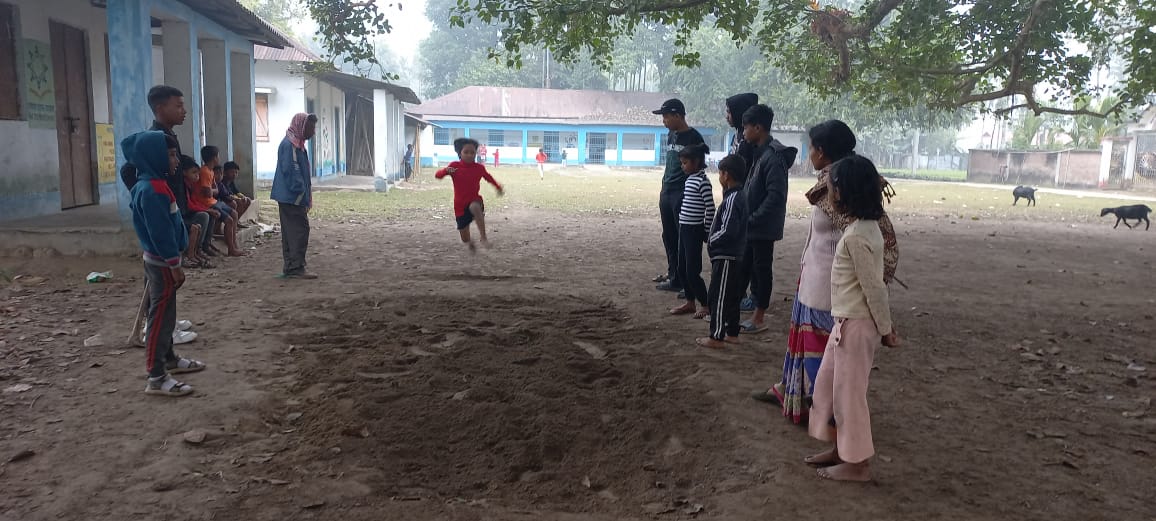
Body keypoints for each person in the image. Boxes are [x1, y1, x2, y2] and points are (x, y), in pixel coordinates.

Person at [752, 120, 900, 424]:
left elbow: (870, 236)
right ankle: (794, 394)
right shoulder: (834, 181)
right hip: (814, 277)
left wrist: (877, 293)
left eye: (811, 147)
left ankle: (827, 416)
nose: (808, 153)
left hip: (829, 290)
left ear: (821, 151)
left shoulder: (837, 188)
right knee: (808, 345)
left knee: (822, 354)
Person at [805, 154, 901, 482]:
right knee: (829, 389)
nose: (827, 193)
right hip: (844, 323)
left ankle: (857, 464)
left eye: (830, 187)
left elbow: (874, 288)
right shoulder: (861, 228)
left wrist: (886, 330)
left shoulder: (860, 235)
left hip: (856, 326)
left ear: (842, 193)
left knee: (849, 397)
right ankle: (840, 449)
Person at [122, 130, 207, 397]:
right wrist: (174, 264)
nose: (176, 160)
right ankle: (156, 376)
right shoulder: (153, 190)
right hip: (162, 263)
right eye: (170, 155)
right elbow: (160, 232)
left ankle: (169, 358)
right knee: (159, 319)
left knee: (167, 315)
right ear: (154, 156)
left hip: (159, 261)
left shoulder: (150, 184)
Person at [738, 104, 796, 334]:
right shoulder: (758, 153)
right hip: (751, 226)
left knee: (762, 270)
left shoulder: (773, 158)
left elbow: (776, 197)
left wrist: (753, 218)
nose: (743, 132)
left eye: (746, 128)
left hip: (762, 227)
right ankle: (732, 310)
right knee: (745, 268)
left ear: (758, 128)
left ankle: (759, 317)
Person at [696, 154, 749, 349]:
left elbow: (728, 230)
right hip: (732, 255)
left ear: (726, 175)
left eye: (720, 172)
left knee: (718, 296)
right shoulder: (736, 195)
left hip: (726, 255)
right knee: (732, 296)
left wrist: (712, 241)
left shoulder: (734, 198)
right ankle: (732, 332)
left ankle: (716, 336)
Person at [653, 98, 705, 292]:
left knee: (685, 238)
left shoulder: (695, 138)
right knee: (669, 235)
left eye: (666, 116)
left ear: (677, 115)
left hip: (683, 193)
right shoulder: (670, 135)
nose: (664, 120)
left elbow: (699, 168)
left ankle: (687, 281)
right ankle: (674, 276)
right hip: (666, 190)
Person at [725, 93, 761, 312]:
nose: (727, 116)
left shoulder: (748, 143)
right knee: (743, 250)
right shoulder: (738, 136)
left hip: (746, 200)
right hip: (735, 197)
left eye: (729, 111)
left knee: (754, 253)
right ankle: (743, 292)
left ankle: (755, 296)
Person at [435, 137, 504, 252]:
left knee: (475, 207)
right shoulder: (454, 166)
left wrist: (498, 187)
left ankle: (483, 237)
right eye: (466, 152)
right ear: (460, 153)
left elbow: (489, 178)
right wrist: (446, 171)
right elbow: (438, 175)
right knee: (465, 238)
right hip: (460, 206)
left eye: (472, 152)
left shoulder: (479, 168)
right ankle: (470, 242)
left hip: (474, 200)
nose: (469, 155)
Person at [669, 143, 714, 320]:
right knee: (681, 268)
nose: (682, 166)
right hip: (684, 229)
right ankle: (690, 301)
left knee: (692, 271)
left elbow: (710, 208)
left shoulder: (703, 182)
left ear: (696, 162)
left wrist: (706, 230)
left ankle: (705, 304)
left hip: (695, 231)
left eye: (685, 162)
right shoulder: (689, 179)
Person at [272, 113, 318, 279]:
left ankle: (292, 266)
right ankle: (295, 267)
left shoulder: (297, 145)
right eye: (311, 127)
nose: (313, 132)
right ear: (301, 126)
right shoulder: (290, 146)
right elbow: (292, 172)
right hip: (291, 197)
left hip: (291, 197)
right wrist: (301, 194)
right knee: (299, 230)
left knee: (291, 231)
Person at [198, 146, 243, 256]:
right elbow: (208, 192)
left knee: (234, 213)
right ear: (214, 158)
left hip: (213, 201)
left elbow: (215, 190)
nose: (219, 158)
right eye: (218, 155)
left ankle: (234, 242)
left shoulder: (211, 171)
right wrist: (213, 190)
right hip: (207, 203)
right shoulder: (204, 171)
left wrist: (213, 190)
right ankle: (231, 248)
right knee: (229, 220)